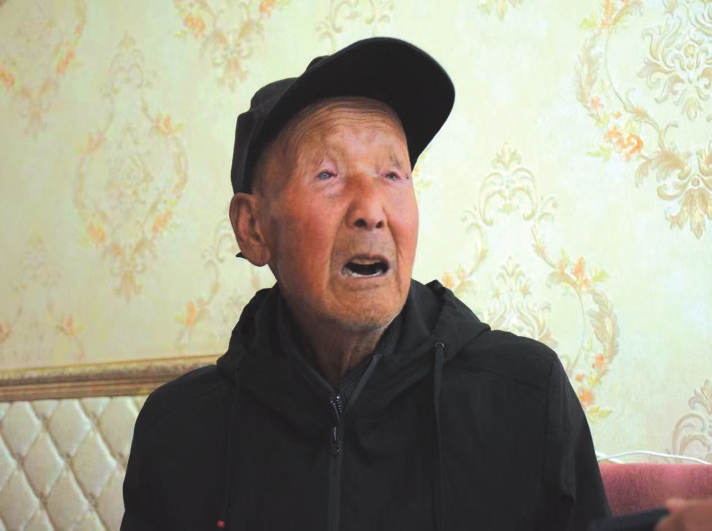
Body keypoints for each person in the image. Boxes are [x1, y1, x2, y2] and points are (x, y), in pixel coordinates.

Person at [121, 37, 610, 530]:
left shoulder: (525, 394)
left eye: (392, 174)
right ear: (253, 229)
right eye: (327, 174)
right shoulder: (177, 432)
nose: (372, 211)